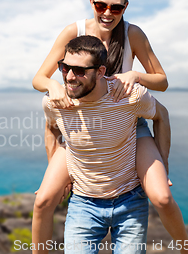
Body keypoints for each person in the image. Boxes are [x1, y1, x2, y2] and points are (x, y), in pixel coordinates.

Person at [31, 0, 188, 253]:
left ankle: (187, 248)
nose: (107, 12)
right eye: (101, 5)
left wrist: (136, 75)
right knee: (45, 199)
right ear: (91, 1)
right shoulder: (75, 32)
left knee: (161, 196)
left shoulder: (132, 34)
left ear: (125, 7)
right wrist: (54, 85)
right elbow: (39, 78)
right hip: (81, 121)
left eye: (116, 7)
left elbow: (162, 82)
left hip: (127, 119)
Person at [41, 35, 167, 253]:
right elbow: (51, 128)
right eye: (64, 68)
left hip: (130, 201)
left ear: (100, 72)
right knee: (42, 201)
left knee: (164, 199)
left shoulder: (130, 97)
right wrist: (58, 171)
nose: (70, 77)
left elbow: (161, 115)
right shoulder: (55, 101)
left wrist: (163, 164)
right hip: (83, 204)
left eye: (80, 71)